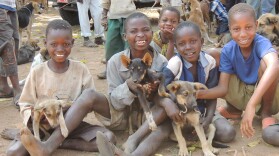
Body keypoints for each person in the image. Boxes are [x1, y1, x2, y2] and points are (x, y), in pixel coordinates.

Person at [15, 13, 181, 156]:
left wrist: (156, 94)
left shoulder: (162, 63)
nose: (140, 35)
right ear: (124, 36)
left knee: (115, 136)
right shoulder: (116, 61)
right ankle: (47, 146)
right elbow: (114, 101)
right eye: (133, 31)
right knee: (89, 96)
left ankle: (131, 142)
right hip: (121, 116)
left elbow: (166, 93)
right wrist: (129, 87)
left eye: (145, 30)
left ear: (152, 32)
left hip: (148, 119)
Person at [6, 19, 116, 155]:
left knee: (108, 138)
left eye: (65, 44)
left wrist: (69, 109)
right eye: (53, 44)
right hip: (43, 126)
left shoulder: (81, 69)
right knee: (13, 152)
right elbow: (25, 103)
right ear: (45, 44)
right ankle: (45, 140)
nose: (60, 49)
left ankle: (57, 143)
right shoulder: (37, 72)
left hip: (71, 126)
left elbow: (88, 102)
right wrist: (36, 115)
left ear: (72, 43)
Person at [196, 3, 279, 145]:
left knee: (268, 64)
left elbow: (274, 66)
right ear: (230, 29)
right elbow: (223, 88)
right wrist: (197, 94)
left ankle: (265, 113)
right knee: (212, 57)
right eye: (236, 29)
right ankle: (233, 110)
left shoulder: (261, 42)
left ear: (256, 25)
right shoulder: (229, 49)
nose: (243, 34)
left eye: (248, 27)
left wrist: (251, 105)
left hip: (266, 98)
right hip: (241, 97)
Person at [163, 21, 236, 143]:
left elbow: (213, 94)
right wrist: (175, 104)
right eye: (182, 44)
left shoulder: (210, 62)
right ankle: (186, 134)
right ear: (175, 47)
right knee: (170, 128)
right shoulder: (174, 63)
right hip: (180, 112)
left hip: (202, 110)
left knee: (228, 133)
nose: (188, 47)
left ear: (201, 42)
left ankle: (197, 132)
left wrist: (208, 118)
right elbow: (163, 89)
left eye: (193, 41)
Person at [97, 0, 136, 79]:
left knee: (129, 46)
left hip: (129, 16)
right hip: (113, 17)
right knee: (111, 45)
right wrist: (104, 16)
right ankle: (109, 70)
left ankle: (130, 71)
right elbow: (106, 1)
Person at [0, 0, 22, 108]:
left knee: (13, 43)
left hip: (10, 6)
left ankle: (4, 87)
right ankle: (17, 90)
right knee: (7, 45)